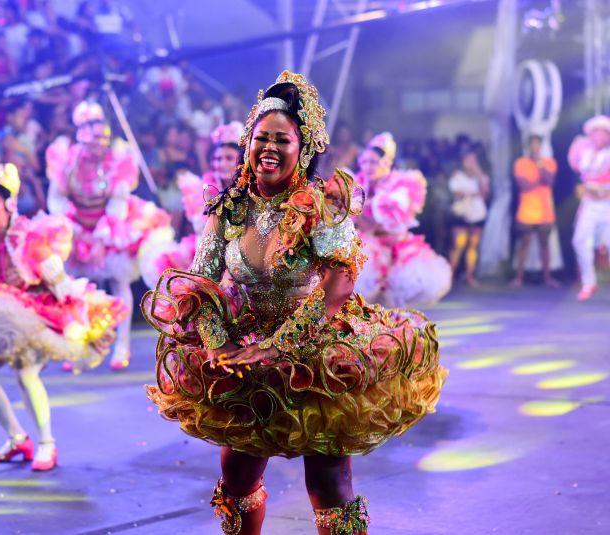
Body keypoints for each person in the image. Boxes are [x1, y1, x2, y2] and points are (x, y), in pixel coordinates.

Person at [142, 72, 447, 535]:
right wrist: (217, 344)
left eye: (281, 139)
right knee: (237, 476)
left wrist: (281, 347)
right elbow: (198, 282)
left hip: (316, 350)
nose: (268, 148)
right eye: (260, 138)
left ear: (302, 147)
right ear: (247, 143)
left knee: (328, 482)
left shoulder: (322, 205)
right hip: (242, 349)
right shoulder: (230, 207)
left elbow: (338, 285)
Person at [0, 161, 125, 471]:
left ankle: (46, 443)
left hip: (38, 316)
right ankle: (16, 437)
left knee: (26, 373)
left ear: (9, 204)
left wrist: (77, 315)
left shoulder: (28, 238)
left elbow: (59, 282)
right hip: (1, 319)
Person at [46, 101, 173, 370]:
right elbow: (56, 200)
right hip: (77, 226)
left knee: (118, 281)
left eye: (101, 136)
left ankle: (121, 345)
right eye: (91, 137)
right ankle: (77, 346)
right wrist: (79, 234)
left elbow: (118, 200)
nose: (97, 144)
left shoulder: (118, 158)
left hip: (111, 226)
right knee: (74, 288)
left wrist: (102, 239)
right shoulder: (65, 159)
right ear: (80, 134)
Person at [140, 121, 245, 289]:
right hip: (201, 261)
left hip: (236, 266)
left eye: (229, 158)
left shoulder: (248, 194)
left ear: (241, 163)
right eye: (217, 158)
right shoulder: (201, 192)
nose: (221, 163)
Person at [353, 133, 452, 307]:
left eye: (374, 162)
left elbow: (388, 222)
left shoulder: (398, 187)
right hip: (368, 249)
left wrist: (368, 212)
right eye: (365, 162)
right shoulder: (355, 185)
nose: (369, 167)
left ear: (386, 164)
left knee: (389, 304)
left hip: (395, 249)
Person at [568, 115, 610, 300]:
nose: (598, 137)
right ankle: (588, 282)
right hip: (589, 205)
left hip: (607, 205)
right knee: (579, 240)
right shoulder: (584, 152)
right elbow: (580, 175)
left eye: (603, 133)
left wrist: (602, 190)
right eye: (595, 133)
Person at [511, 134, 559, 287]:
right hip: (526, 212)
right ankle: (519, 277)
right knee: (524, 244)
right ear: (528, 147)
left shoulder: (549, 163)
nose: (535, 147)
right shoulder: (520, 163)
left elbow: (549, 181)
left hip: (545, 213)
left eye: (537, 144)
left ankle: (547, 277)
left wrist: (540, 168)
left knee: (544, 244)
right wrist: (538, 182)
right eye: (532, 144)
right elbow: (523, 185)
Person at [448, 147, 490, 287]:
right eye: (468, 160)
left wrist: (478, 174)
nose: (471, 163)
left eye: (473, 160)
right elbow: (456, 193)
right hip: (462, 214)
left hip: (477, 214)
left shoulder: (481, 177)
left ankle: (469, 275)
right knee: (458, 245)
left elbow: (484, 193)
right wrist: (472, 194)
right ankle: (450, 276)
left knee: (473, 245)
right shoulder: (457, 176)